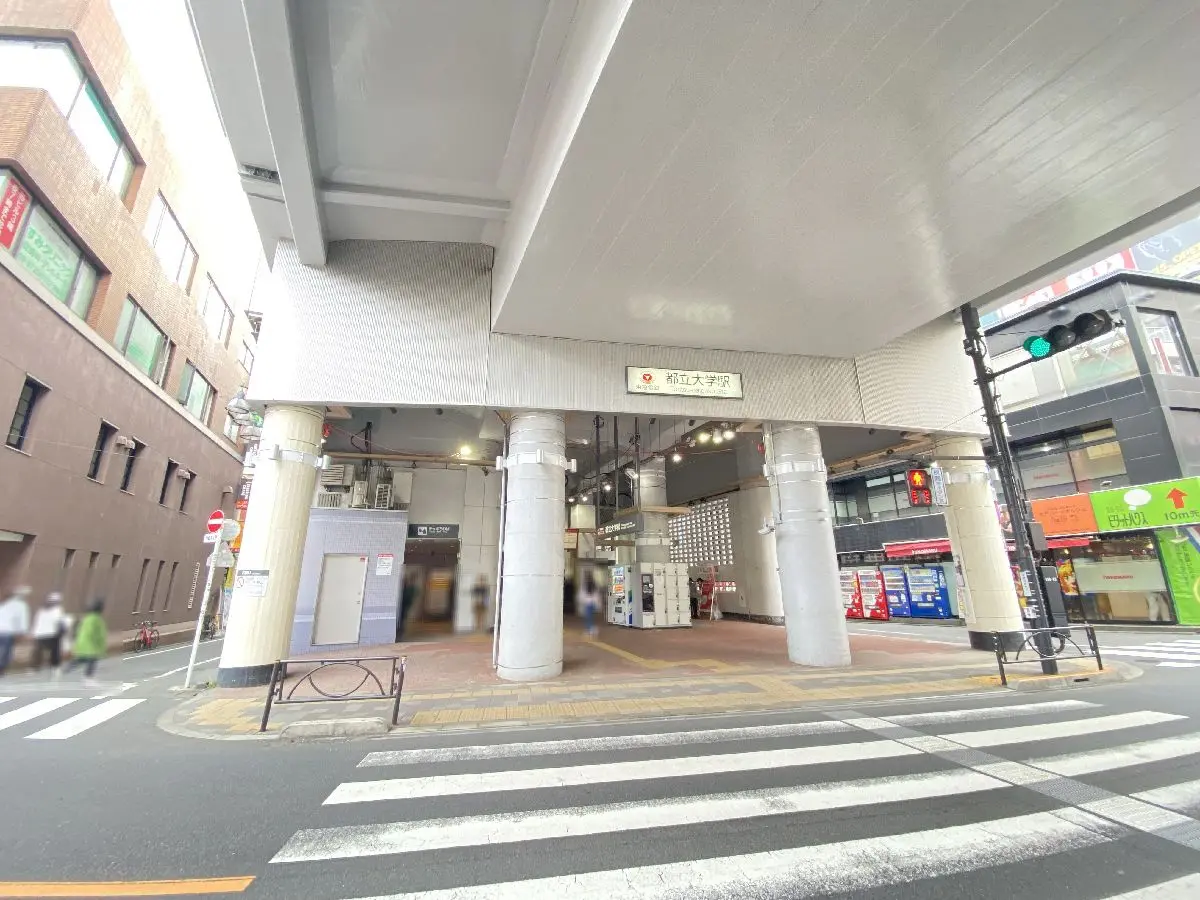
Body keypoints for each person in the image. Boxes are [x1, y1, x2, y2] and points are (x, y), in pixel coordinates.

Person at [66, 598, 107, 686]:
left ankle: (67, 669)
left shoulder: (86, 617)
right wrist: (99, 644)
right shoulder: (97, 619)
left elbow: (79, 629)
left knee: (82, 658)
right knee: (92, 660)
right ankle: (88, 679)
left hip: (81, 642)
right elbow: (97, 633)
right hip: (91, 644)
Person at [31, 592, 68, 672]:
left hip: (39, 633)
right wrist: (64, 630)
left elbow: (36, 621)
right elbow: (60, 621)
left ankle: (34, 667)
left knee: (38, 650)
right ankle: (55, 666)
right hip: (51, 633)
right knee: (55, 650)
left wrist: (33, 632)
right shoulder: (58, 609)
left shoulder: (41, 609)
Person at [0, 585, 31, 676]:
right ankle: (1, 669)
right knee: (5, 651)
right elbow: (23, 619)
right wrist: (23, 632)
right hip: (8, 632)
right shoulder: (22, 605)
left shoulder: (5, 604)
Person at [580, 571, 600, 638]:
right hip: (592, 603)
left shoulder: (586, 585)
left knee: (588, 617)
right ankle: (591, 630)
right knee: (590, 617)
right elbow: (596, 595)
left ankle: (590, 630)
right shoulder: (594, 585)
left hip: (588, 603)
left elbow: (583, 594)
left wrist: (583, 601)